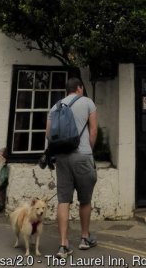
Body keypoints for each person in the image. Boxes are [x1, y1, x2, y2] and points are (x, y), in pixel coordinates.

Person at [46, 77, 98, 259]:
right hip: (82, 155)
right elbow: (93, 131)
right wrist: (88, 151)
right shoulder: (87, 102)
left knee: (63, 200)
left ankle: (63, 245)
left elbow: (49, 135)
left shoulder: (55, 107)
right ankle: (84, 238)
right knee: (85, 199)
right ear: (79, 88)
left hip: (61, 158)